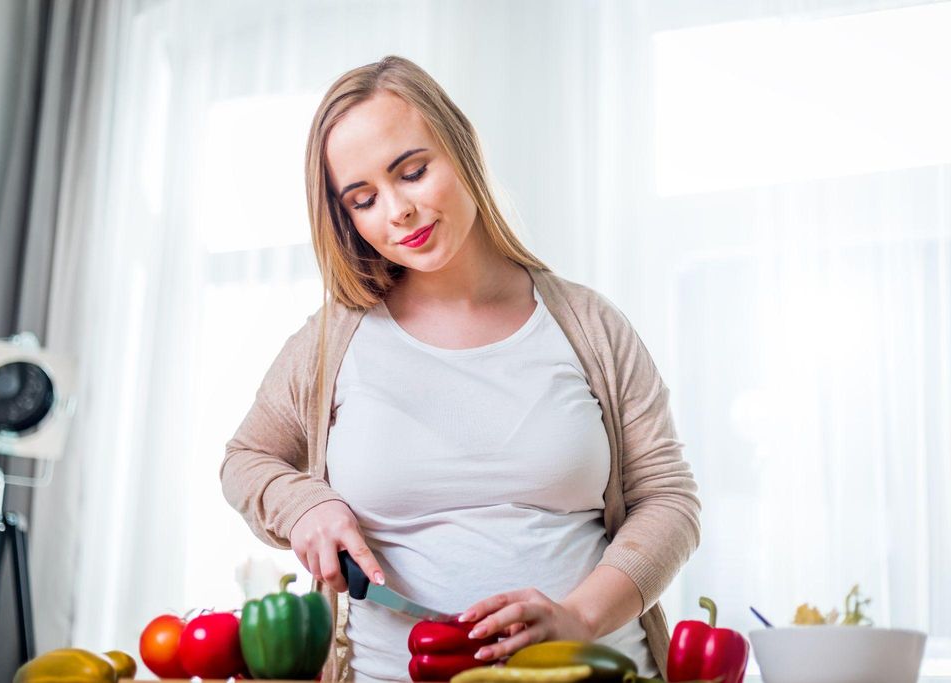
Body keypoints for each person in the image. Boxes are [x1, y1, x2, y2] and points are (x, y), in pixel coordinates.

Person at [221, 55, 700, 683]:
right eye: (363, 200)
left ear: (462, 147)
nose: (397, 211)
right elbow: (247, 460)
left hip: (593, 670)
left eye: (413, 172)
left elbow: (668, 500)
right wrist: (305, 505)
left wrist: (578, 617)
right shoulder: (332, 342)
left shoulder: (588, 325)